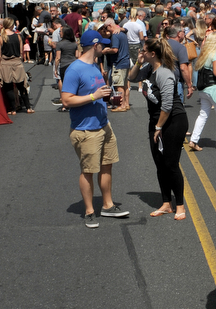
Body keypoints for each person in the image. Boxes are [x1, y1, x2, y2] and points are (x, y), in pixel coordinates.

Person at [61, 30, 130, 228]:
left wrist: (107, 96)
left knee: (107, 165)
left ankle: (107, 205)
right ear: (95, 45)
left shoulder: (94, 66)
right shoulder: (75, 69)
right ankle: (89, 211)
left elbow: (97, 92)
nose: (105, 47)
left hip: (103, 125)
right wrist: (94, 96)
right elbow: (66, 100)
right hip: (86, 130)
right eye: (103, 44)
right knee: (88, 171)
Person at [127, 37, 189, 220]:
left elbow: (168, 105)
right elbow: (131, 77)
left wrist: (159, 127)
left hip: (173, 121)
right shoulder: (148, 69)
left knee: (171, 164)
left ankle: (179, 205)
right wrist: (138, 63)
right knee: (160, 164)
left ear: (152, 54)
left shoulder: (164, 73)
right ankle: (165, 204)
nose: (141, 53)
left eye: (143, 51)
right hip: (156, 122)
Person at [188, 31, 216, 151]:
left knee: (203, 114)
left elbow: (208, 72)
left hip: (204, 89)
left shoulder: (204, 54)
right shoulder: (215, 54)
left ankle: (194, 139)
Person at [0, 17, 33, 115]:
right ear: (12, 25)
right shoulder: (18, 37)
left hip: (5, 63)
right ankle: (28, 107)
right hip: (17, 62)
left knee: (8, 87)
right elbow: (21, 52)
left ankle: (13, 109)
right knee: (22, 85)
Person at [104, 22, 132, 112]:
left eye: (106, 28)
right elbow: (126, 30)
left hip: (119, 62)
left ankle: (122, 105)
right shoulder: (122, 33)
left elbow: (115, 49)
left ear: (109, 25)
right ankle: (126, 103)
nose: (106, 30)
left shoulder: (115, 35)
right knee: (125, 85)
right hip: (126, 61)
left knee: (119, 85)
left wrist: (107, 50)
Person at [53, 25, 80, 113]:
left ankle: (65, 105)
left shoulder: (60, 44)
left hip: (64, 66)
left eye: (61, 31)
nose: (59, 33)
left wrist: (55, 69)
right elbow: (77, 56)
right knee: (74, 85)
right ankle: (75, 103)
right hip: (73, 65)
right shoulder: (74, 44)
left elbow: (58, 58)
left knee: (65, 86)